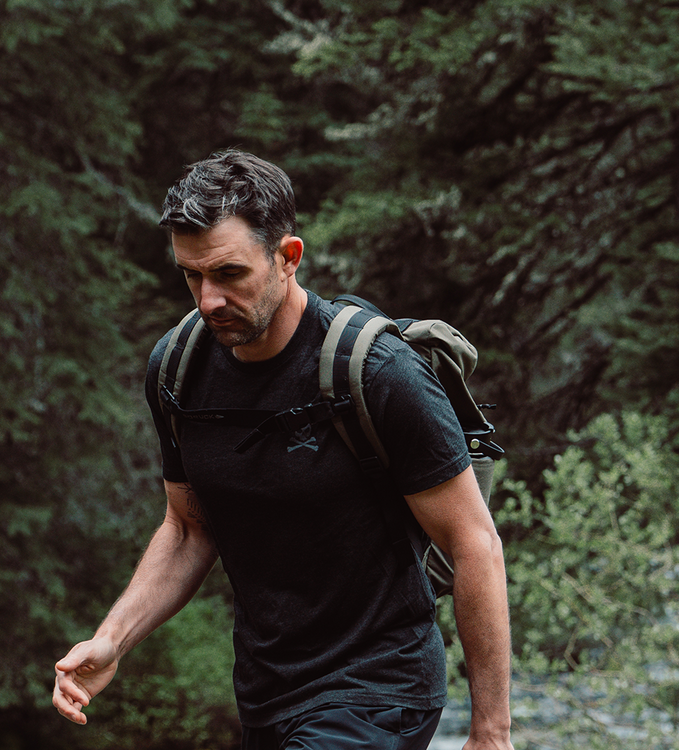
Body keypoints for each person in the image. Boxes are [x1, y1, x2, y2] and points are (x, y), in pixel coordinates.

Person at [52, 150, 513, 750]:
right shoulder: (177, 370)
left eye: (229, 274)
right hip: (267, 694)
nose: (208, 299)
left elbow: (473, 541)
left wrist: (490, 732)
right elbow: (190, 529)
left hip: (378, 688)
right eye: (192, 275)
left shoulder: (376, 372)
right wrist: (114, 637)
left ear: (287, 257)